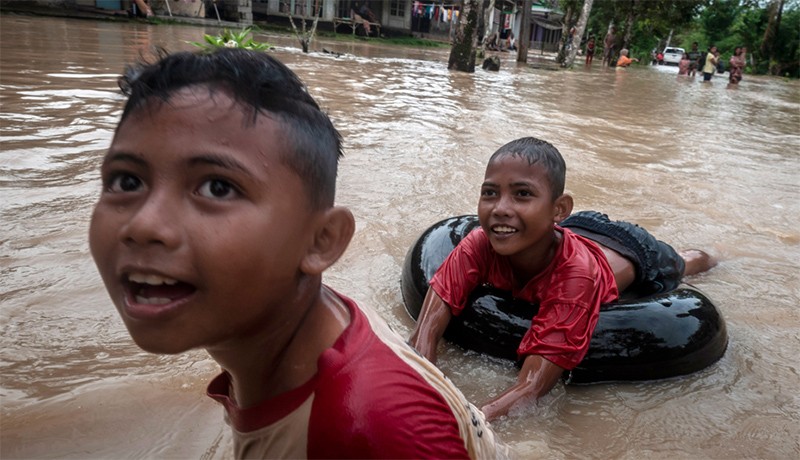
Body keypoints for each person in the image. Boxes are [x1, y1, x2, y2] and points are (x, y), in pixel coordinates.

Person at [88, 48, 508, 459]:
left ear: (321, 241)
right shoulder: (285, 340)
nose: (143, 225)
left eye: (217, 188)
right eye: (126, 182)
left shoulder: (372, 429)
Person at [408, 137, 716, 422]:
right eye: (490, 193)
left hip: (631, 247)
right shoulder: (479, 242)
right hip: (576, 227)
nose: (500, 209)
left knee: (687, 263)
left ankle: (717, 255)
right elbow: (424, 335)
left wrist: (467, 423)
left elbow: (531, 387)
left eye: (522, 194)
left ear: (558, 208)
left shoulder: (575, 276)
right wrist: (419, 391)